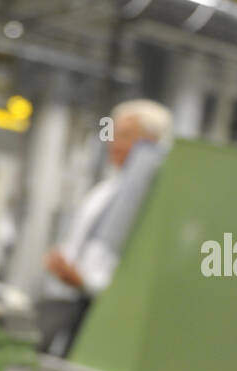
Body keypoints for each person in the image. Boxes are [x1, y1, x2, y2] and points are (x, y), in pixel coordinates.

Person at [44, 98, 173, 298]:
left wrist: (85, 282)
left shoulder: (157, 198)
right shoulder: (103, 193)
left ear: (152, 142)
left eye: (125, 136)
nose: (114, 143)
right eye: (114, 135)